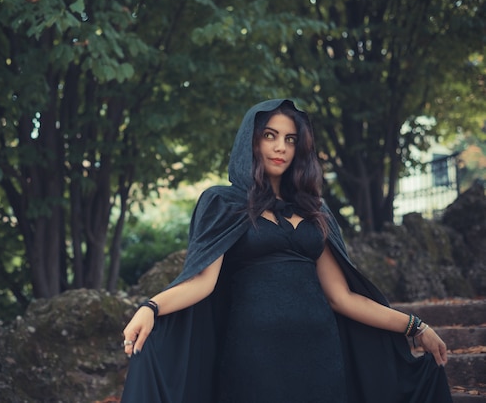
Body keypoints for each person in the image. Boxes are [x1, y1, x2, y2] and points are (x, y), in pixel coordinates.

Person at [120, 99, 452, 403]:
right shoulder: (223, 202)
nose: (281, 147)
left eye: (290, 139)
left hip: (320, 353)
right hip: (254, 353)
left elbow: (343, 298)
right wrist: (151, 307)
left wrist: (416, 327)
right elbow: (201, 282)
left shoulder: (315, 212)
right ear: (251, 141)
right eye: (270, 135)